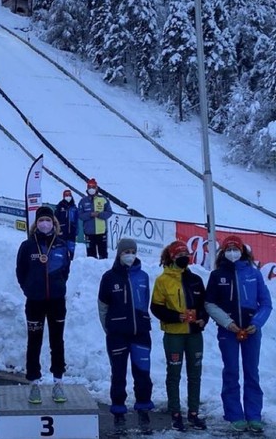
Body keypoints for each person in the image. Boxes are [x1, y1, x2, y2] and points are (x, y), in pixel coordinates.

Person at [205, 235, 272, 433]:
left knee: (252, 372)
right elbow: (209, 303)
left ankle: (254, 415)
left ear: (243, 251)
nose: (232, 252)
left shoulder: (254, 273)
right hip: (229, 331)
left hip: (251, 330)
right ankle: (234, 414)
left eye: (236, 249)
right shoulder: (217, 275)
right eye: (228, 249)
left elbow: (266, 303)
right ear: (223, 252)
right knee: (231, 371)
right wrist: (227, 323)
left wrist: (257, 323)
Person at [98, 238, 154, 435]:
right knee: (119, 373)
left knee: (143, 374)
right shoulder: (109, 277)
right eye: (126, 251)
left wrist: (142, 320)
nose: (129, 254)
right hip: (117, 335)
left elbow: (144, 302)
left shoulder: (143, 276)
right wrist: (111, 329)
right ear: (119, 254)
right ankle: (119, 411)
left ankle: (143, 408)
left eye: (132, 251)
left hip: (140, 333)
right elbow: (102, 307)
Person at [151, 240, 208, 431]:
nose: (184, 258)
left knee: (195, 374)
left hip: (194, 334)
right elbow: (156, 307)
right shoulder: (162, 280)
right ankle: (175, 412)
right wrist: (176, 316)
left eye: (186, 254)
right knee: (174, 373)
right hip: (174, 334)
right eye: (180, 255)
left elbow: (203, 306)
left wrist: (202, 319)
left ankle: (193, 413)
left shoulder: (196, 280)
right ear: (172, 257)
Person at [16, 205, 70, 404]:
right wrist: (29, 290)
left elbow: (66, 270)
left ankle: (58, 382)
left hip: (56, 302)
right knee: (34, 342)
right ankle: (34, 384)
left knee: (57, 342)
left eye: (48, 220)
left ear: (53, 223)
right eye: (41, 220)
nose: (44, 223)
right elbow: (20, 272)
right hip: (35, 303)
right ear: (35, 224)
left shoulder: (61, 245)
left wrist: (59, 287)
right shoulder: (28, 246)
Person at [78, 178, 113, 259]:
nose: (91, 189)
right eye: (89, 187)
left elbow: (109, 212)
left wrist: (99, 214)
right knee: (91, 256)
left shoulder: (103, 199)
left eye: (93, 187)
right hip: (89, 232)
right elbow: (80, 215)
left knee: (103, 255)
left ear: (96, 188)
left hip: (101, 232)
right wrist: (90, 214)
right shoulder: (83, 201)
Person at [54, 189, 79, 260]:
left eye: (69, 195)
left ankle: (71, 261)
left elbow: (76, 220)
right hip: (62, 232)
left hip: (72, 232)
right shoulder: (59, 206)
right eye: (66, 195)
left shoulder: (74, 207)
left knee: (71, 249)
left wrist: (76, 230)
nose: (68, 197)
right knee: (62, 249)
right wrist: (57, 229)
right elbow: (55, 219)